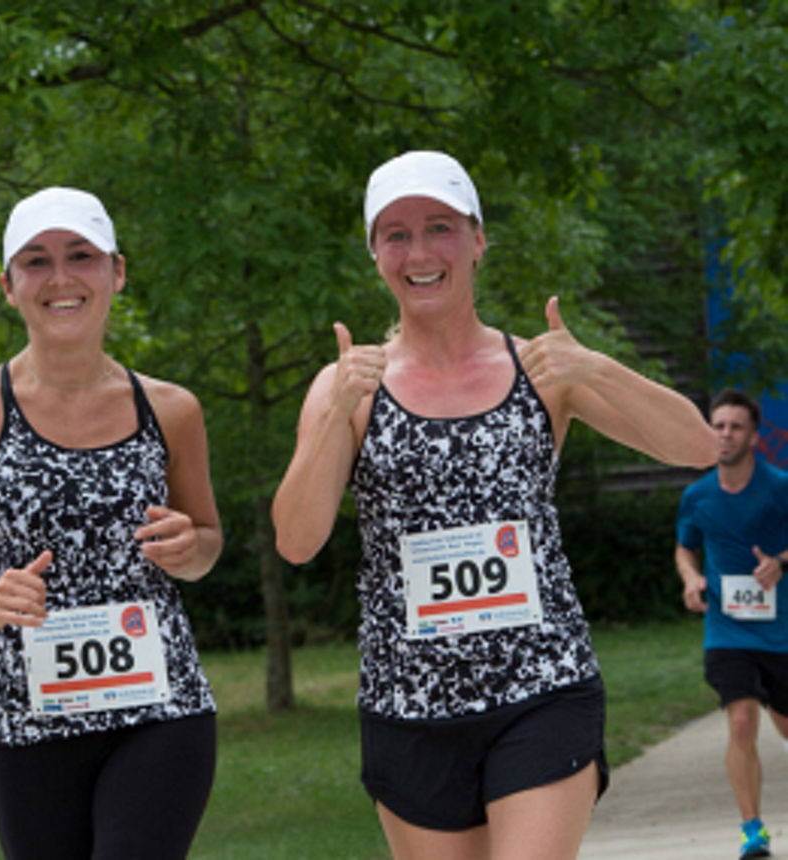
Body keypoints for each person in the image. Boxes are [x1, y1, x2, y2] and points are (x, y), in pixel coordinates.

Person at [272, 150, 718, 860]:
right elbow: (297, 540)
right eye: (396, 234)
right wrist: (338, 415)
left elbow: (697, 446)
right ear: (375, 255)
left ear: (477, 240)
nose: (420, 252)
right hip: (408, 704)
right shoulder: (348, 384)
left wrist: (593, 365)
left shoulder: (543, 369)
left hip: (543, 684)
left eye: (440, 228)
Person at [0, 186, 222, 860]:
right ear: (8, 286)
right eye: (36, 261)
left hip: (161, 711)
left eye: (81, 255)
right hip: (30, 721)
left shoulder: (172, 409)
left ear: (117, 272)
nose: (61, 278)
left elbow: (207, 544)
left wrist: (190, 548)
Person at [675, 387, 788, 859]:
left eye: (734, 426)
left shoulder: (780, 486)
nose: (724, 434)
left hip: (780, 632)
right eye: (717, 425)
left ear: (754, 436)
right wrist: (691, 577)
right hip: (728, 629)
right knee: (741, 721)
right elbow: (685, 546)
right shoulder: (697, 495)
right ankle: (752, 830)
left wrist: (781, 561)